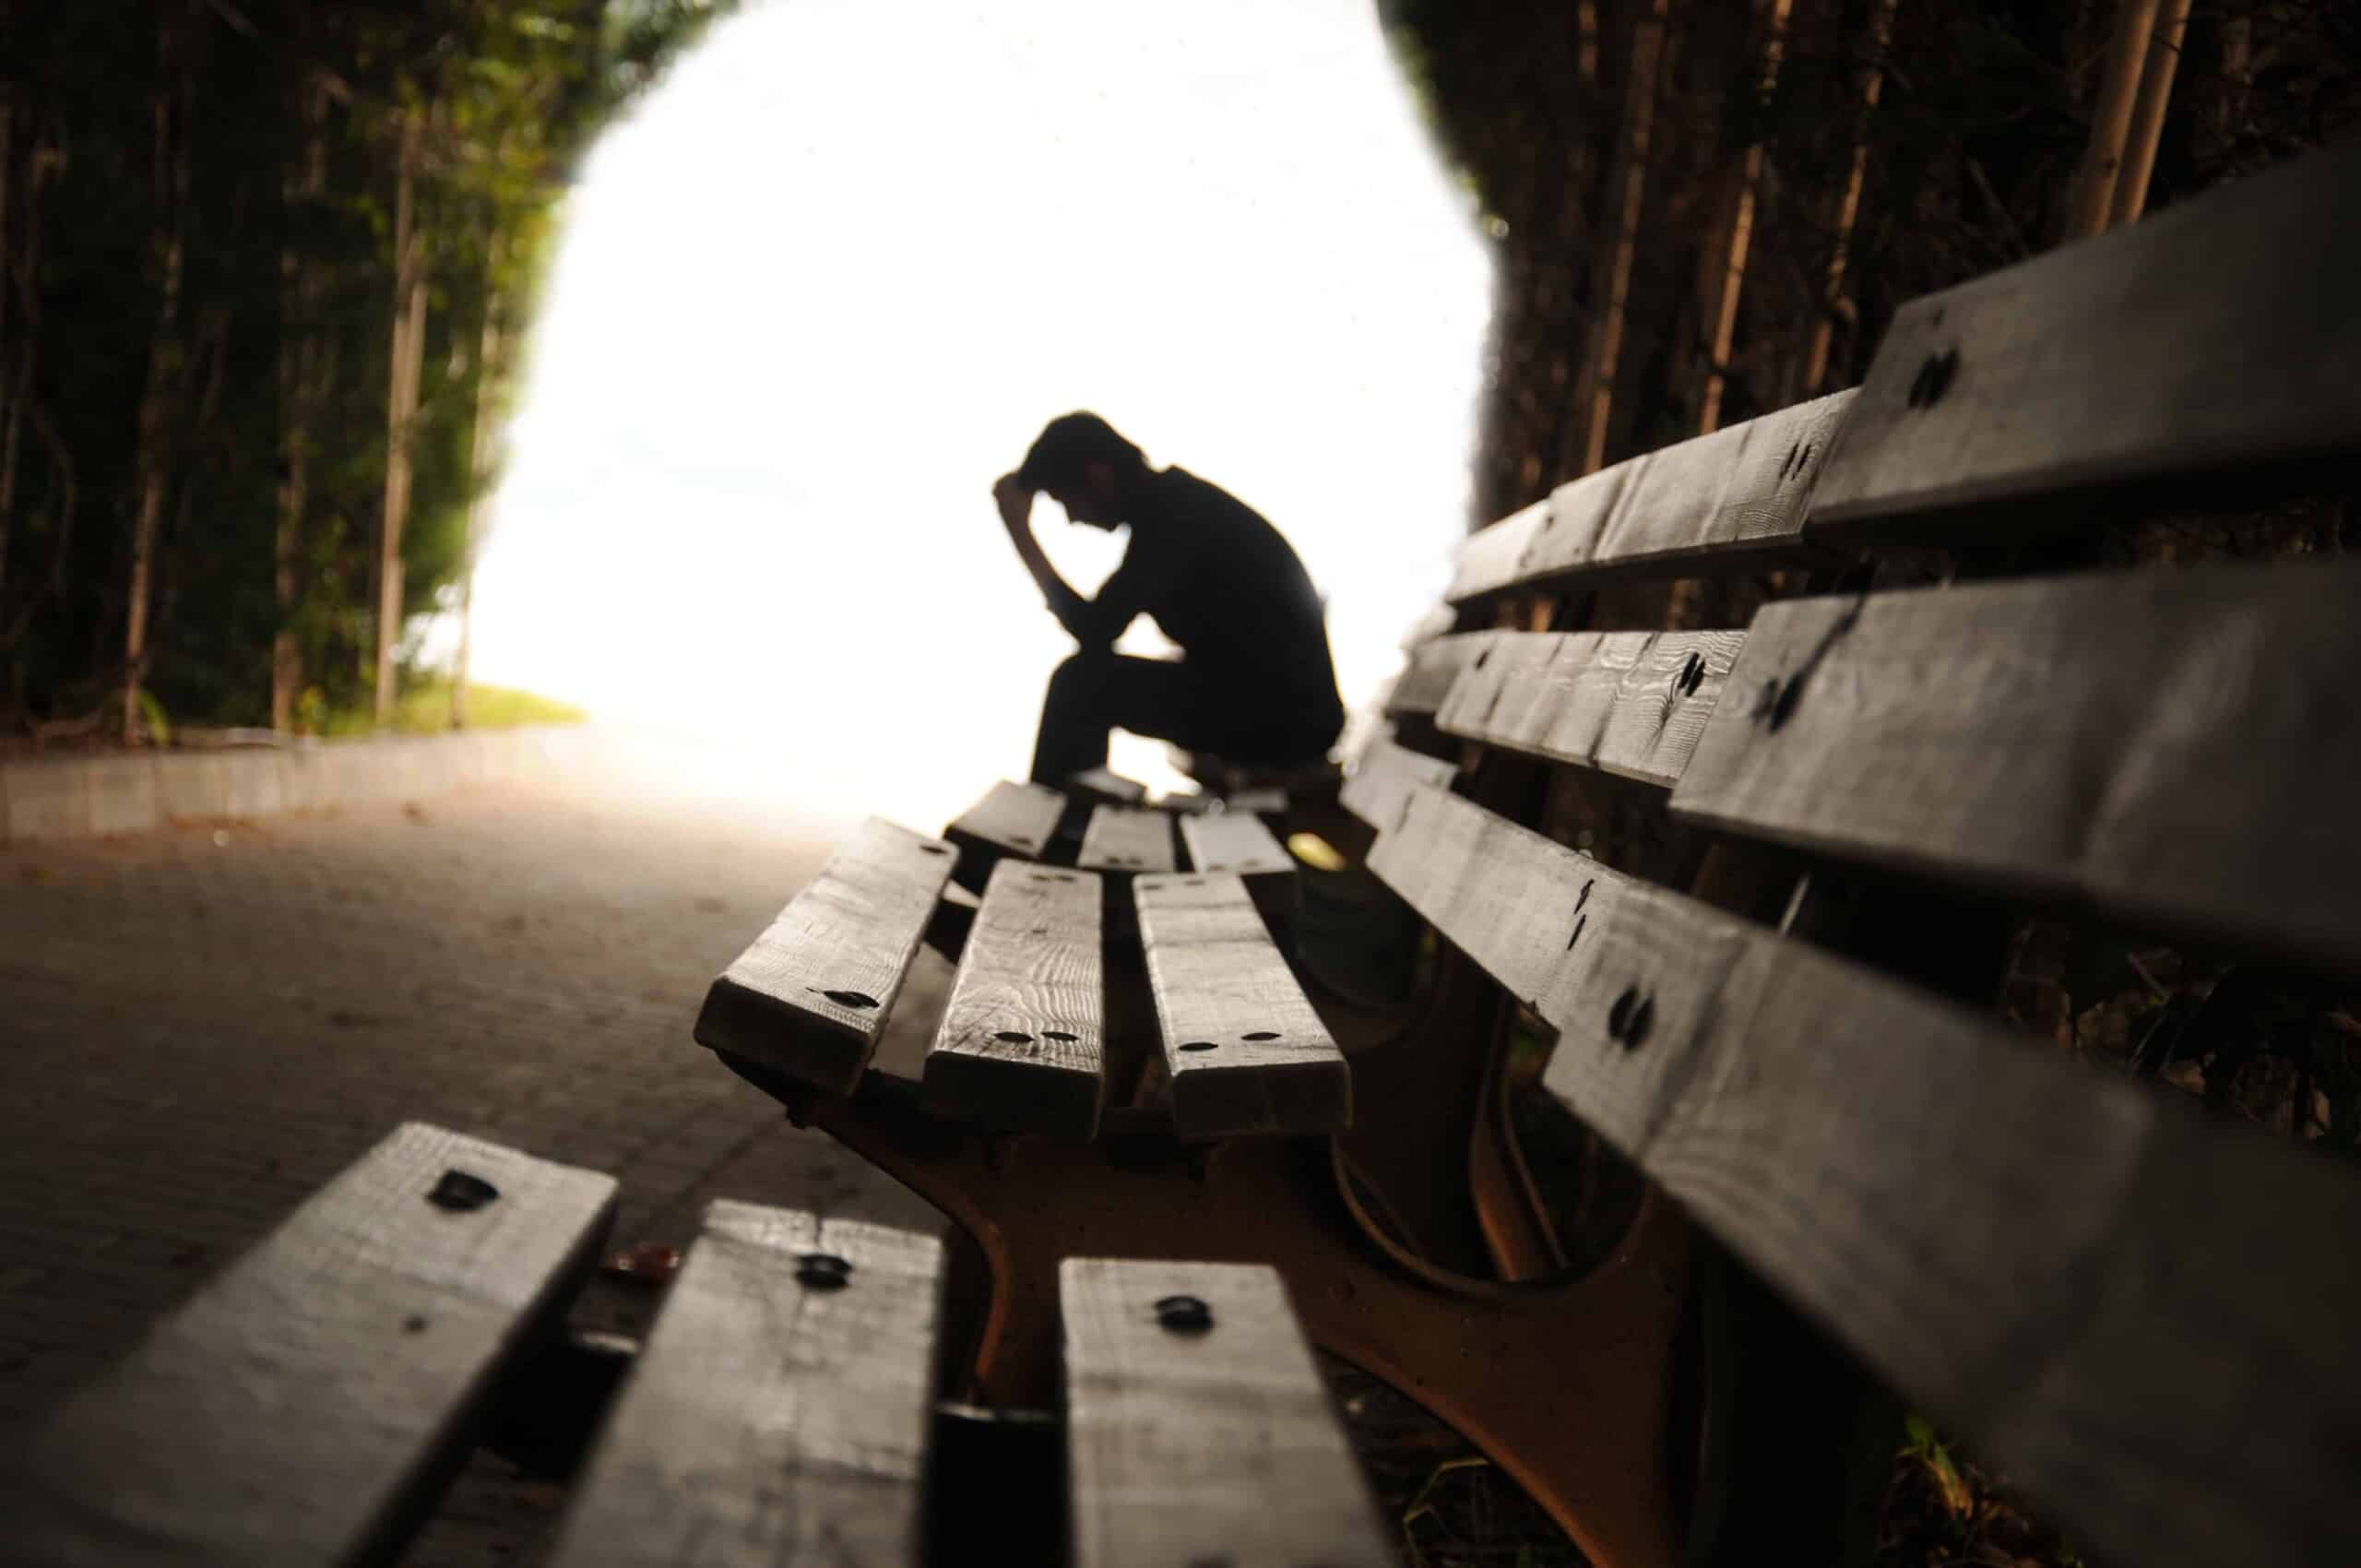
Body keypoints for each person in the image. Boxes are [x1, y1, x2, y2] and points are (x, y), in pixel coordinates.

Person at [993, 412, 1345, 789]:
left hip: (1290, 721)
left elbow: (1095, 630)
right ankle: (1064, 819)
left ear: (1099, 476)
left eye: (1067, 502)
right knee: (1085, 682)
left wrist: (1020, 533)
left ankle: (1045, 830)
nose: (1072, 519)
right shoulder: (1173, 506)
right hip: (1284, 710)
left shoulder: (1172, 517)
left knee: (1080, 684)